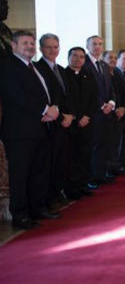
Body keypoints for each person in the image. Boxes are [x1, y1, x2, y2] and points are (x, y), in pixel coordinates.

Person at [0, 31, 60, 229]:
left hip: (41, 127)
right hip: (19, 131)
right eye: (25, 43)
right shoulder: (8, 66)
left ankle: (38, 207)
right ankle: (20, 214)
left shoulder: (33, 67)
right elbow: (16, 95)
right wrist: (45, 110)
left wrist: (54, 109)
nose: (30, 47)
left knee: (39, 171)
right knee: (21, 174)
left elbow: (46, 93)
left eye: (32, 43)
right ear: (14, 45)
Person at [35, 34, 74, 209]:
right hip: (50, 123)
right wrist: (60, 117)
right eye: (49, 47)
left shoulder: (61, 69)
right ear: (41, 48)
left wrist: (70, 115)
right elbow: (44, 97)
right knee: (49, 164)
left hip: (65, 122)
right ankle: (48, 198)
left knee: (61, 161)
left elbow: (67, 96)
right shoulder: (38, 68)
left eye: (56, 47)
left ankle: (58, 192)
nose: (53, 50)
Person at [84, 35, 117, 185]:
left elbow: (110, 88)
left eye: (100, 44)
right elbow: (88, 91)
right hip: (94, 112)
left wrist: (111, 103)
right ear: (88, 46)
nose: (97, 47)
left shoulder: (103, 65)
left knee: (105, 143)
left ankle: (101, 172)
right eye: (94, 44)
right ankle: (91, 176)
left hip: (107, 112)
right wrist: (102, 105)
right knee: (94, 145)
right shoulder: (84, 63)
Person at [65, 47, 98, 195]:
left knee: (86, 155)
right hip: (72, 124)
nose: (78, 59)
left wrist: (87, 116)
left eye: (81, 57)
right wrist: (77, 117)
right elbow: (66, 100)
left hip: (87, 122)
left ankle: (84, 184)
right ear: (68, 57)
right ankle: (72, 188)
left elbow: (93, 98)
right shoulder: (63, 75)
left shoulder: (87, 75)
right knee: (72, 157)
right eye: (75, 56)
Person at [104, 50, 125, 175]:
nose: (113, 60)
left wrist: (122, 108)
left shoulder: (117, 74)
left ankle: (114, 165)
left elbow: (123, 94)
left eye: (114, 57)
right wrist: (115, 108)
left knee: (116, 142)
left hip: (120, 113)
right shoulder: (104, 74)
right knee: (108, 143)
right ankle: (108, 169)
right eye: (110, 57)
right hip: (109, 113)